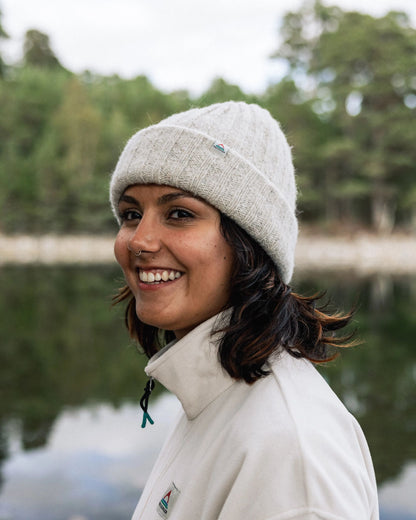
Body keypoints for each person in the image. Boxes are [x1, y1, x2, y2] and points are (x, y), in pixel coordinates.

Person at [110, 101, 379, 520]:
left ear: (250, 244)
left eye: (178, 214)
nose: (139, 241)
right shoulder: (218, 397)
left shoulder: (290, 454)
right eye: (131, 214)